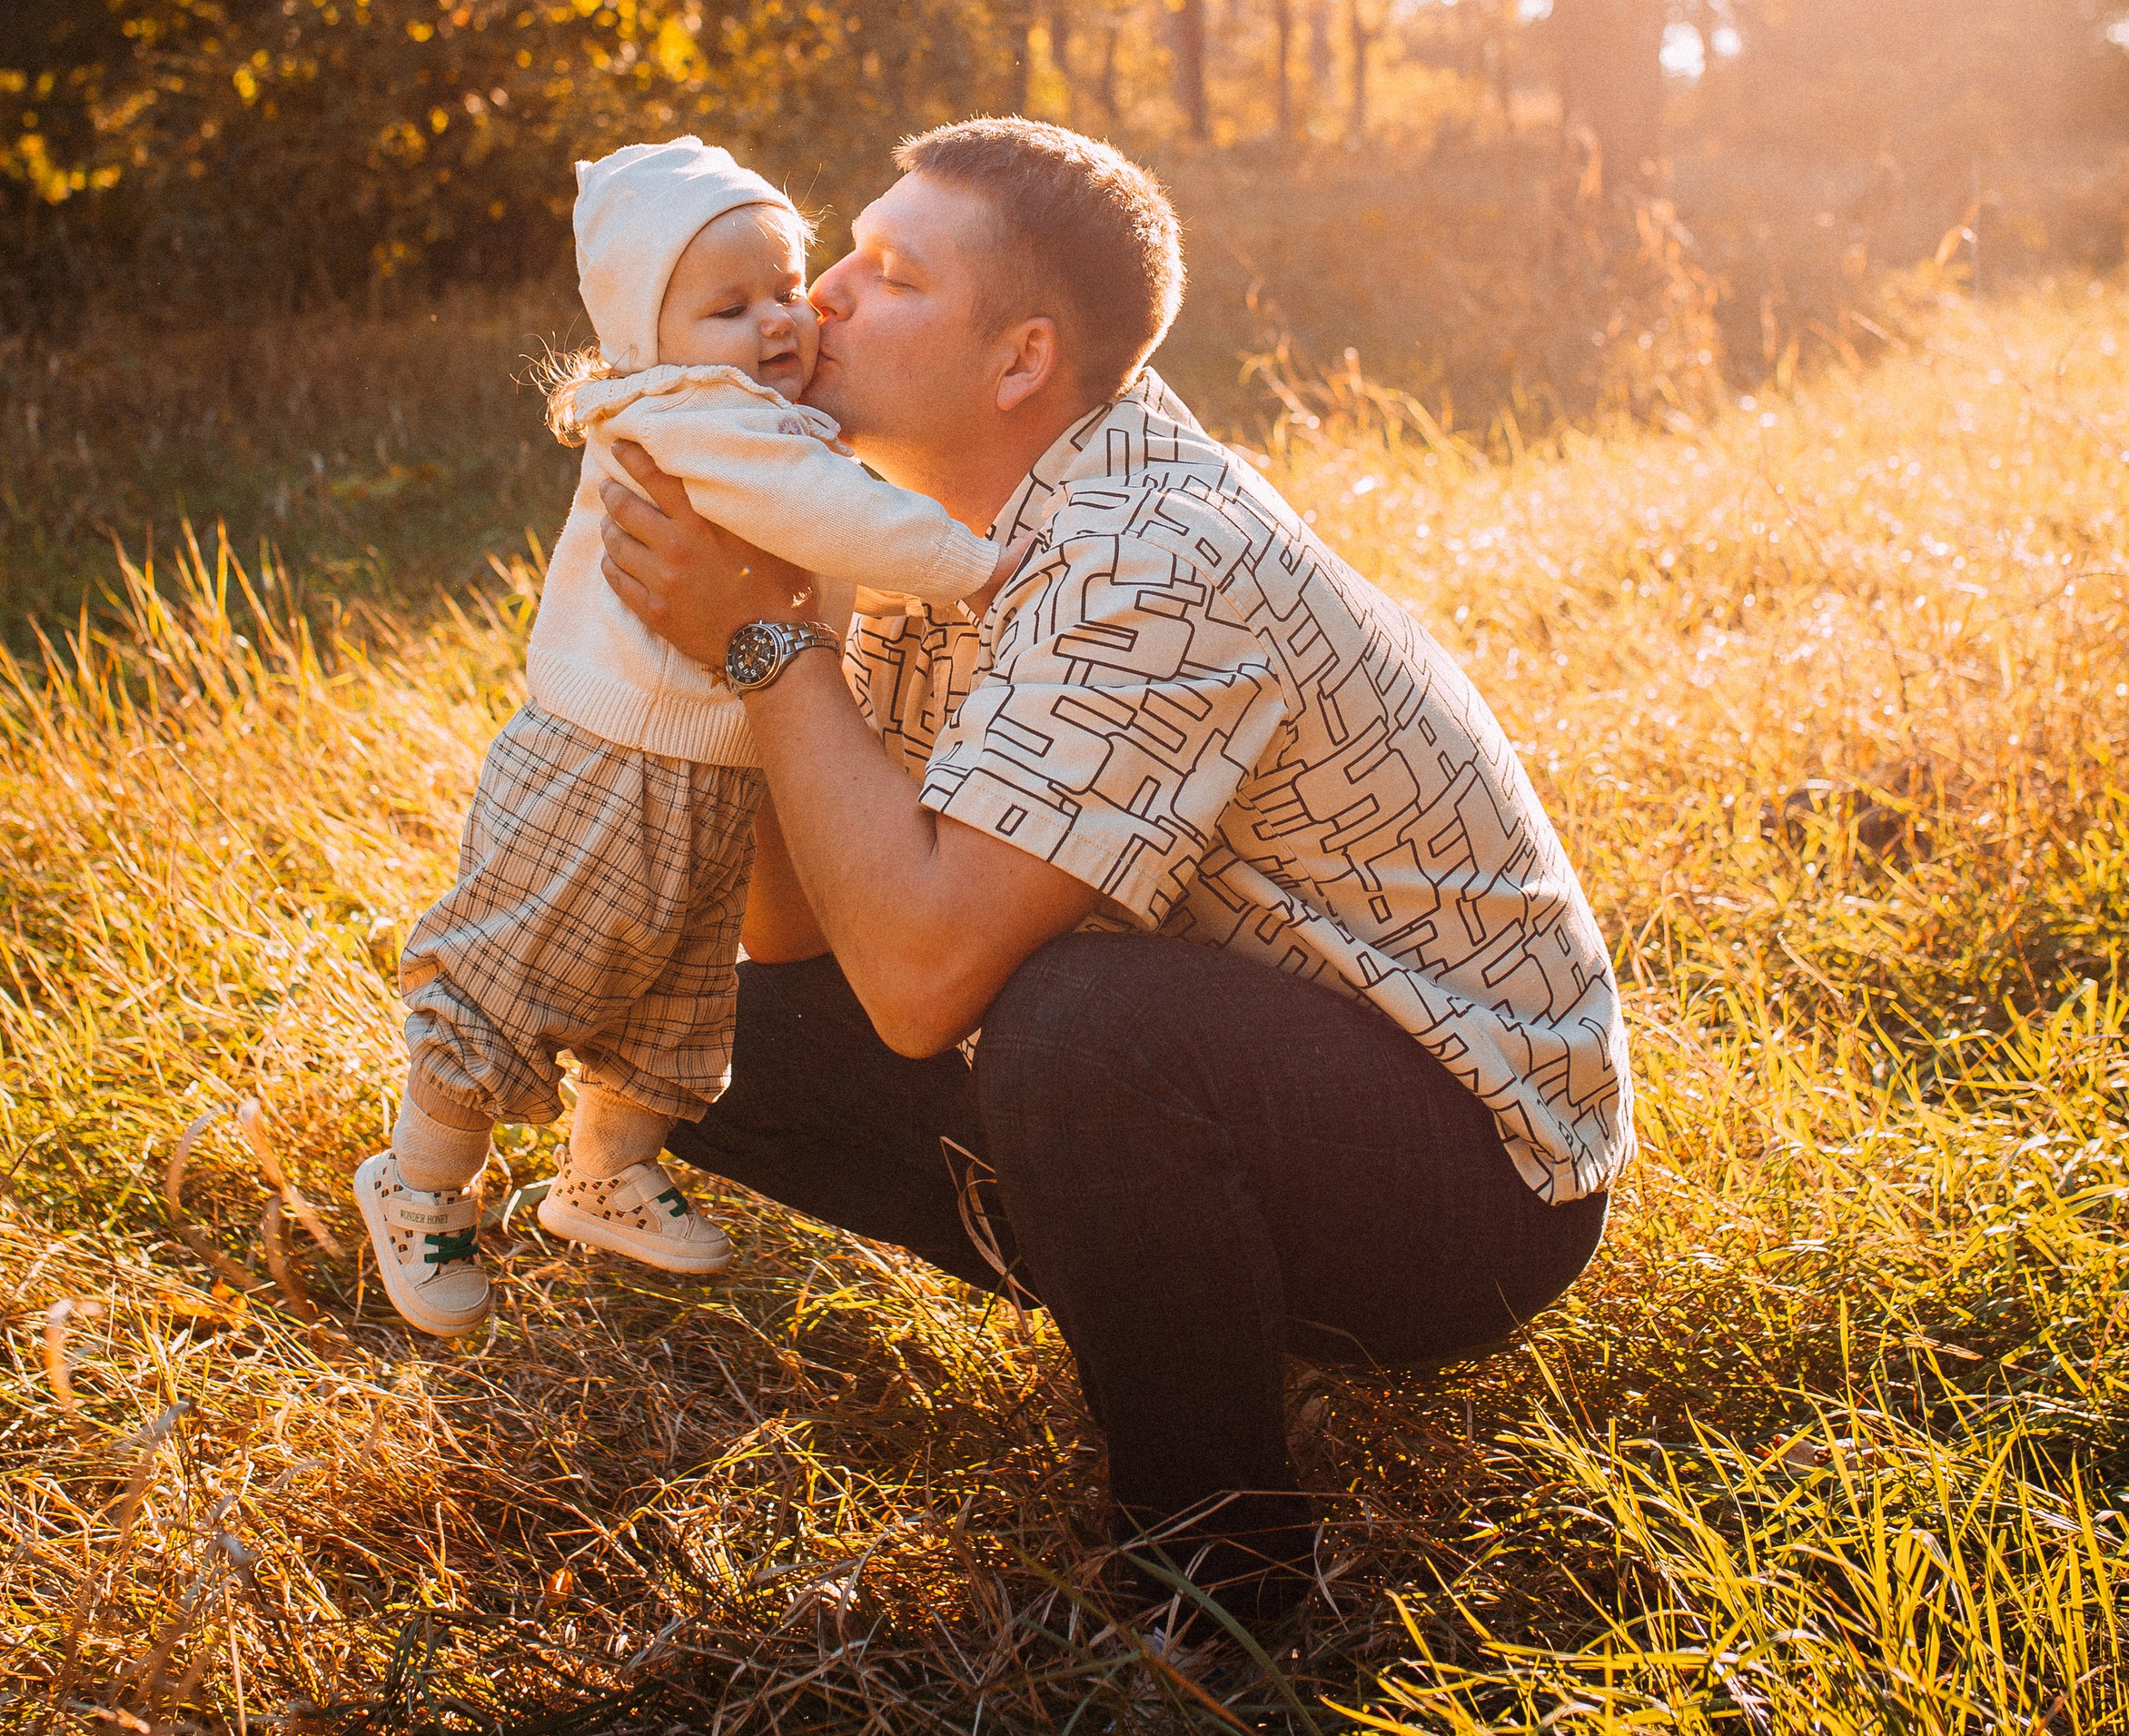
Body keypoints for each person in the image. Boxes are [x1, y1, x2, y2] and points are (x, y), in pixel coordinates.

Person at [598, 117, 1633, 1623]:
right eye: (849, 249)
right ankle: (1177, 1292)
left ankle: (1218, 1578)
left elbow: (920, 984)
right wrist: (751, 619)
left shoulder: (1155, 552)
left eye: (888, 276)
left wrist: (767, 644)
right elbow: (802, 940)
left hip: (1475, 1180)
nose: (821, 293)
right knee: (682, 1026)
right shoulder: (927, 533)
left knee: (1076, 1024)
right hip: (1280, 1075)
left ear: (1019, 363)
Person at [353, 137, 1012, 1338]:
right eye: (728, 307)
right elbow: (830, 517)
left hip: (706, 771)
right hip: (608, 762)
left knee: (676, 995)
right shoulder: (693, 418)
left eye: (782, 290)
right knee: (523, 973)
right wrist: (982, 566)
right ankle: (420, 1184)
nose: (776, 323)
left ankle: (605, 1175)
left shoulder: (758, 409)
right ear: (643, 338)